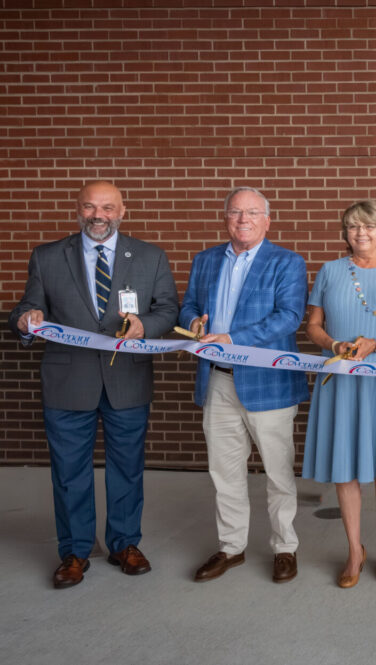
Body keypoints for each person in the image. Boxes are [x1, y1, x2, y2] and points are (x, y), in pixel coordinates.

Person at [9, 180, 178, 588]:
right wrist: (26, 319)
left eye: (106, 207)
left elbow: (167, 309)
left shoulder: (151, 257)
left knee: (127, 469)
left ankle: (123, 543)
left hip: (128, 379)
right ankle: (75, 551)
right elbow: (29, 305)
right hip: (69, 380)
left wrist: (145, 326)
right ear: (78, 209)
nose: (97, 215)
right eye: (89, 207)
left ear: (122, 211)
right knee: (69, 473)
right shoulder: (47, 256)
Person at [179, 186, 309, 585]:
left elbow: (288, 317)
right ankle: (231, 547)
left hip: (268, 383)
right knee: (224, 471)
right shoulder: (205, 260)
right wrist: (196, 323)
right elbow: (187, 304)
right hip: (217, 380)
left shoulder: (286, 262)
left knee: (278, 473)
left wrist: (231, 338)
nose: (243, 220)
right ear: (225, 218)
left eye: (252, 213)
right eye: (235, 213)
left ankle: (284, 547)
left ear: (267, 220)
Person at [302, 200, 376, 588]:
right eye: (353, 227)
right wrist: (333, 344)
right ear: (346, 233)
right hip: (339, 382)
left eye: (369, 226)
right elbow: (313, 326)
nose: (361, 233)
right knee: (345, 467)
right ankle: (355, 549)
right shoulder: (329, 271)